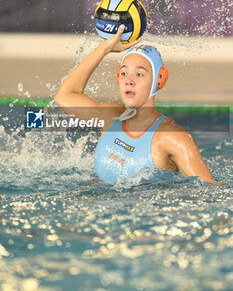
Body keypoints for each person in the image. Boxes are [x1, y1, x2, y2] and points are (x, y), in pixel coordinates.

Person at [54, 25, 222, 185]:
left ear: (159, 80)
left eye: (140, 74)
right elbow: (65, 95)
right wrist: (105, 48)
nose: (129, 81)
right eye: (124, 73)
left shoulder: (172, 137)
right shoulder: (110, 117)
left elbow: (209, 192)